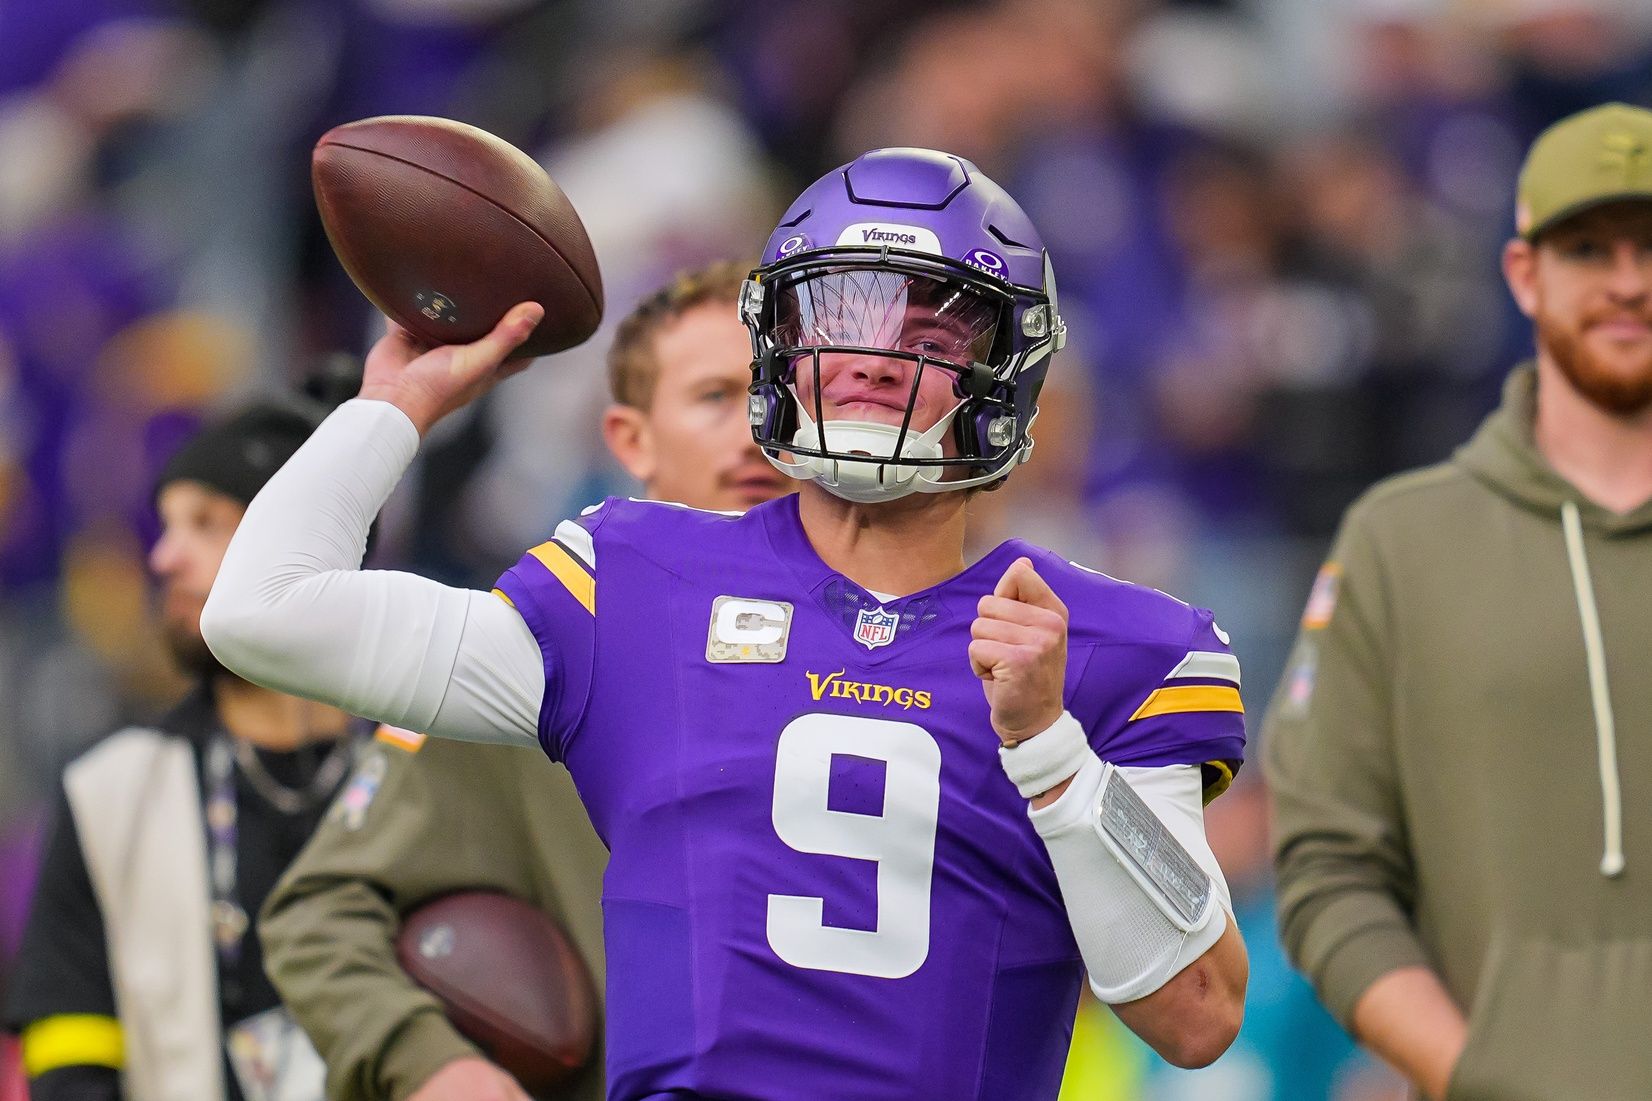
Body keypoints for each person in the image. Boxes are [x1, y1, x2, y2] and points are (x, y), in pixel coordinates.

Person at [203, 147, 1250, 1100]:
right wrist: (397, 405)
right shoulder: (635, 579)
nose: (877, 359)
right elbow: (263, 614)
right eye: (840, 318)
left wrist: (1053, 757)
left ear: (1006, 371)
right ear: (780, 345)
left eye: (927, 328)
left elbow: (1195, 1016)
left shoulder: (1112, 647)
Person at [258, 261, 791, 1101]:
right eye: (715, 397)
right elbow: (322, 911)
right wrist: (431, 1061)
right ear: (630, 440)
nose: (752, 432)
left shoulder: (897, 655)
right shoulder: (540, 651)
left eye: (774, 396)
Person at [1264, 101, 1652, 1101]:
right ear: (1523, 274)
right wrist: (1471, 1075)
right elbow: (1325, 867)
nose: (1626, 281)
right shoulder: (1399, 544)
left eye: (1650, 247)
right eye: (1587, 249)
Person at [4, 399, 364, 1101]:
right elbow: (67, 1042)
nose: (163, 556)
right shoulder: (112, 789)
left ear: (308, 543)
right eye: (166, 525)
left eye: (205, 523)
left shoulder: (423, 767)